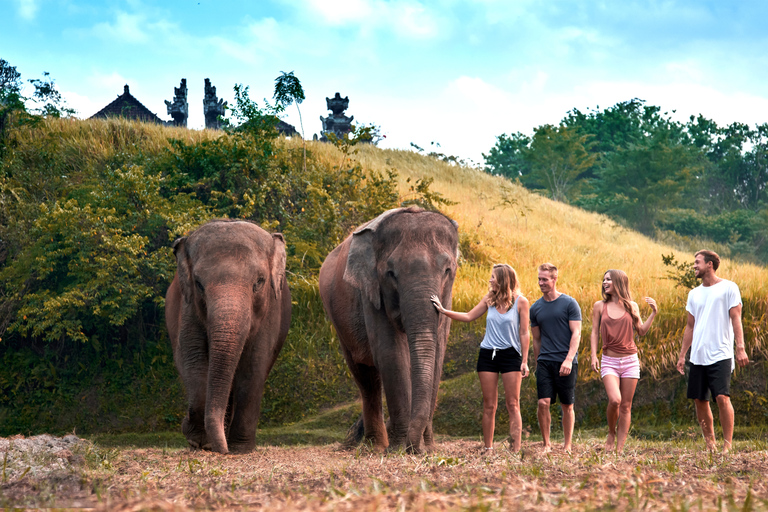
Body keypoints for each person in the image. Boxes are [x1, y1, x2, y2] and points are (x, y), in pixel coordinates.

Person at [431, 264, 530, 452]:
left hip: (511, 355)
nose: (490, 280)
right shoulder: (489, 299)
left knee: (512, 404)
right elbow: (469, 316)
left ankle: (515, 450)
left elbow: (524, 333)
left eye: (493, 277)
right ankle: (488, 448)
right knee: (489, 405)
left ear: (503, 279)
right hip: (488, 354)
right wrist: (444, 311)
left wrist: (524, 360)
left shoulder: (521, 302)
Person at [676, 250, 749, 454]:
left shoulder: (729, 288)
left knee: (722, 397)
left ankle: (727, 444)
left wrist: (740, 348)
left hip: (721, 353)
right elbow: (690, 326)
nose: (694, 266)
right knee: (700, 400)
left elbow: (736, 319)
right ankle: (710, 444)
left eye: (697, 262)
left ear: (710, 264)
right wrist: (683, 355)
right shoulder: (694, 294)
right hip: (698, 355)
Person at [590, 269, 658, 453]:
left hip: (630, 361)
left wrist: (653, 313)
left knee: (626, 406)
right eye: (604, 279)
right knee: (615, 400)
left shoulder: (632, 306)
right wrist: (593, 355)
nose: (605, 282)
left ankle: (619, 449)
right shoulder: (599, 306)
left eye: (609, 279)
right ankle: (611, 433)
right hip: (609, 361)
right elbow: (594, 331)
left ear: (619, 282)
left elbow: (641, 331)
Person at [529, 262, 581, 453]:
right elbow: (536, 339)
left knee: (567, 405)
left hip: (566, 361)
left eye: (544, 279)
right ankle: (546, 444)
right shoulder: (535, 308)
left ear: (554, 279)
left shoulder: (569, 303)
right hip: (544, 362)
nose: (541, 283)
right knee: (543, 403)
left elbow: (576, 334)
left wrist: (568, 359)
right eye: (539, 279)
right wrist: (537, 364)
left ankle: (567, 445)